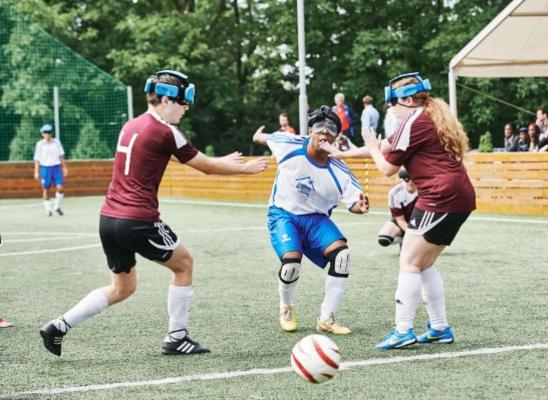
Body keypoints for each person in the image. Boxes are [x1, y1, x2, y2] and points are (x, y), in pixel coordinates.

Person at [39, 69, 268, 357]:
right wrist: (246, 169)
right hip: (138, 220)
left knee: (122, 288)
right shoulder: (166, 131)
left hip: (108, 219)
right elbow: (205, 167)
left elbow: (187, 157)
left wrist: (221, 160)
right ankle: (177, 338)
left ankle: (58, 326)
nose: (186, 109)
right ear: (167, 100)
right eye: (183, 102)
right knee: (184, 264)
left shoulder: (131, 125)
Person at [327, 72, 475, 349]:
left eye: (392, 102)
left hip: (440, 196)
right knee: (424, 264)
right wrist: (342, 154)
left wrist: (372, 149)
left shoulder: (413, 122)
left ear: (407, 100)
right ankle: (439, 328)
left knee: (409, 262)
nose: (390, 108)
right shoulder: (426, 117)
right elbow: (385, 146)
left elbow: (386, 167)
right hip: (457, 195)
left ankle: (403, 330)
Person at [252, 105, 369, 335]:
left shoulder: (340, 170)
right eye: (319, 127)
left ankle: (327, 319)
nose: (324, 131)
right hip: (284, 213)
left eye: (331, 128)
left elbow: (354, 202)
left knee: (342, 256)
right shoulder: (289, 143)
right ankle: (286, 307)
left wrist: (361, 207)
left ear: (336, 137)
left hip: (316, 219)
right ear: (310, 131)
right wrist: (258, 136)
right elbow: (265, 138)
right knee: (291, 263)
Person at [377, 169, 417, 250]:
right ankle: (403, 240)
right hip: (403, 221)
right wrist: (411, 234)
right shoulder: (394, 193)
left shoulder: (425, 188)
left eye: (413, 178)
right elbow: (400, 220)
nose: (410, 182)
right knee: (383, 239)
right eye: (407, 179)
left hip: (421, 220)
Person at [34, 124, 68, 216]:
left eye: (49, 132)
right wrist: (36, 171)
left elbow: (61, 155)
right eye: (45, 132)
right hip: (45, 168)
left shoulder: (56, 142)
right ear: (42, 134)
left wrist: (64, 167)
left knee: (60, 188)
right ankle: (48, 209)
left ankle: (57, 206)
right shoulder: (39, 144)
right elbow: (37, 159)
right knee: (46, 189)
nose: (47, 134)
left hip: (56, 167)